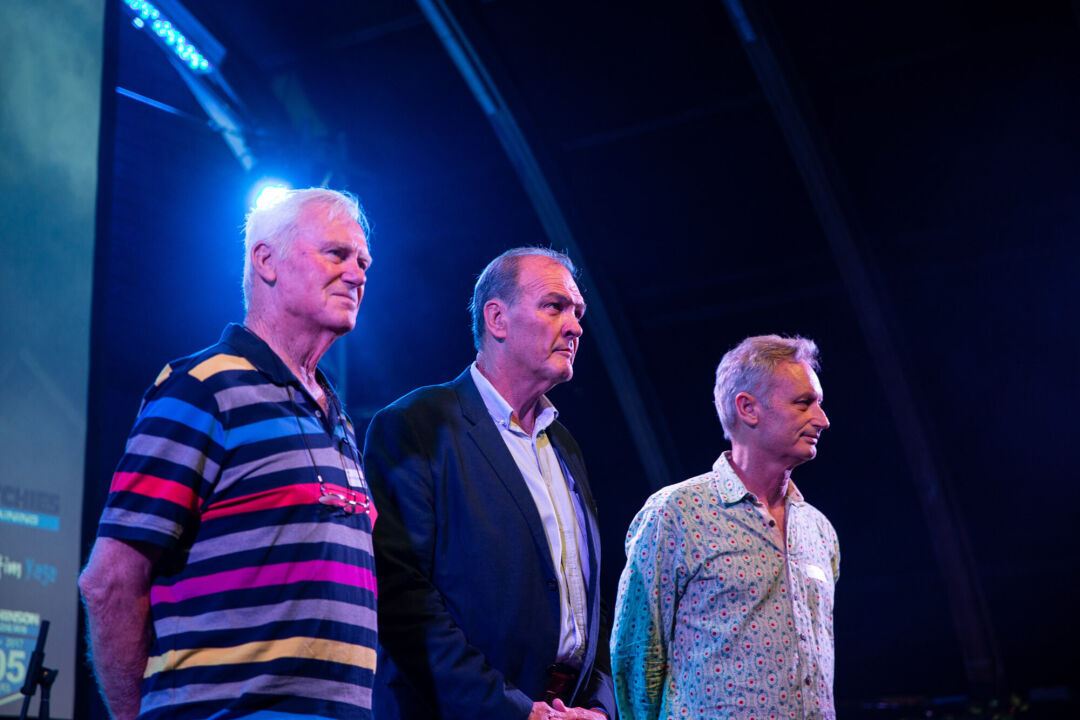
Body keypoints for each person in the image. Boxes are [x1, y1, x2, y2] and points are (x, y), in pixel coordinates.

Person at [78, 188, 378, 720]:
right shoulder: (202, 389)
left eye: (363, 261)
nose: (357, 273)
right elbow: (109, 582)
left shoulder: (338, 415)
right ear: (266, 260)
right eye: (336, 254)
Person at [364, 247, 615, 720]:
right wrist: (512, 710)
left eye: (578, 312)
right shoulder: (416, 425)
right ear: (497, 319)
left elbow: (590, 600)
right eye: (555, 306)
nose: (576, 326)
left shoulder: (565, 446)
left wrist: (598, 706)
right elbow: (403, 599)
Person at [611, 334, 839, 720]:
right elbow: (636, 656)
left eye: (819, 403)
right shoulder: (676, 514)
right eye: (804, 403)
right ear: (748, 409)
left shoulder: (819, 530)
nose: (822, 419)